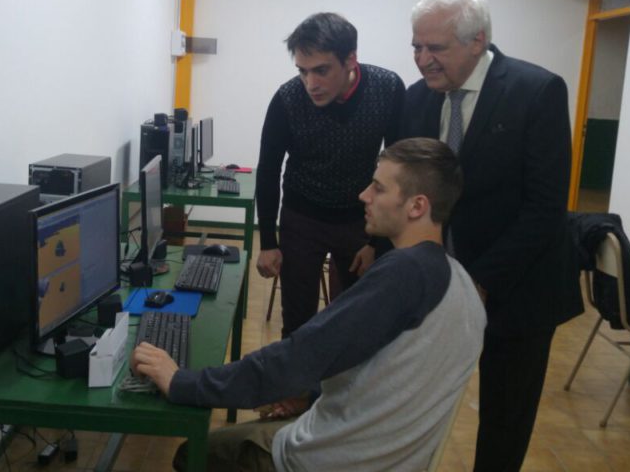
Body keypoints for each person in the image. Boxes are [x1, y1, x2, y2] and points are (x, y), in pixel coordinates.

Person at [132, 138, 486, 472]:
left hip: (333, 460)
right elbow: (387, 370)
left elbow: (298, 356)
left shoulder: (404, 274)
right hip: (391, 458)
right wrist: (311, 394)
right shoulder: (461, 284)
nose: (364, 195)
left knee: (194, 454)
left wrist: (182, 382)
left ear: (417, 205)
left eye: (378, 188)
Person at [400, 0, 575, 472]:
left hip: (517, 289)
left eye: (436, 47)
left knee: (504, 419)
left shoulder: (535, 91)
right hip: (435, 287)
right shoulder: (416, 101)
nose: (423, 59)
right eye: (416, 46)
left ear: (477, 41)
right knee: (417, 404)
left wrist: (480, 280)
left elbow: (545, 208)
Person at [255, 12, 405, 336]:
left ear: (350, 59)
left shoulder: (388, 89)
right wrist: (268, 241)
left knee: (351, 318)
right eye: (302, 71)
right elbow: (268, 170)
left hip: (359, 221)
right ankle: (298, 387)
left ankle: (341, 388)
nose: (311, 83)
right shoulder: (287, 99)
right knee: (297, 321)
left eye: (321, 70)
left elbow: (398, 169)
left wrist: (377, 243)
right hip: (301, 218)